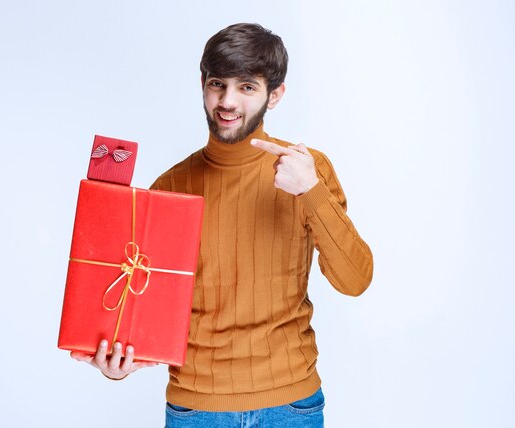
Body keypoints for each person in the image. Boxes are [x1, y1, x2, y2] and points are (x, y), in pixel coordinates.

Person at [71, 23, 373, 427]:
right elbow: (141, 304)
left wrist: (311, 192)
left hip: (291, 404)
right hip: (197, 408)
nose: (227, 102)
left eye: (247, 87)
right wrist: (118, 363)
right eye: (218, 84)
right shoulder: (171, 187)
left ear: (275, 94)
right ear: (203, 84)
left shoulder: (307, 170)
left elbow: (355, 280)